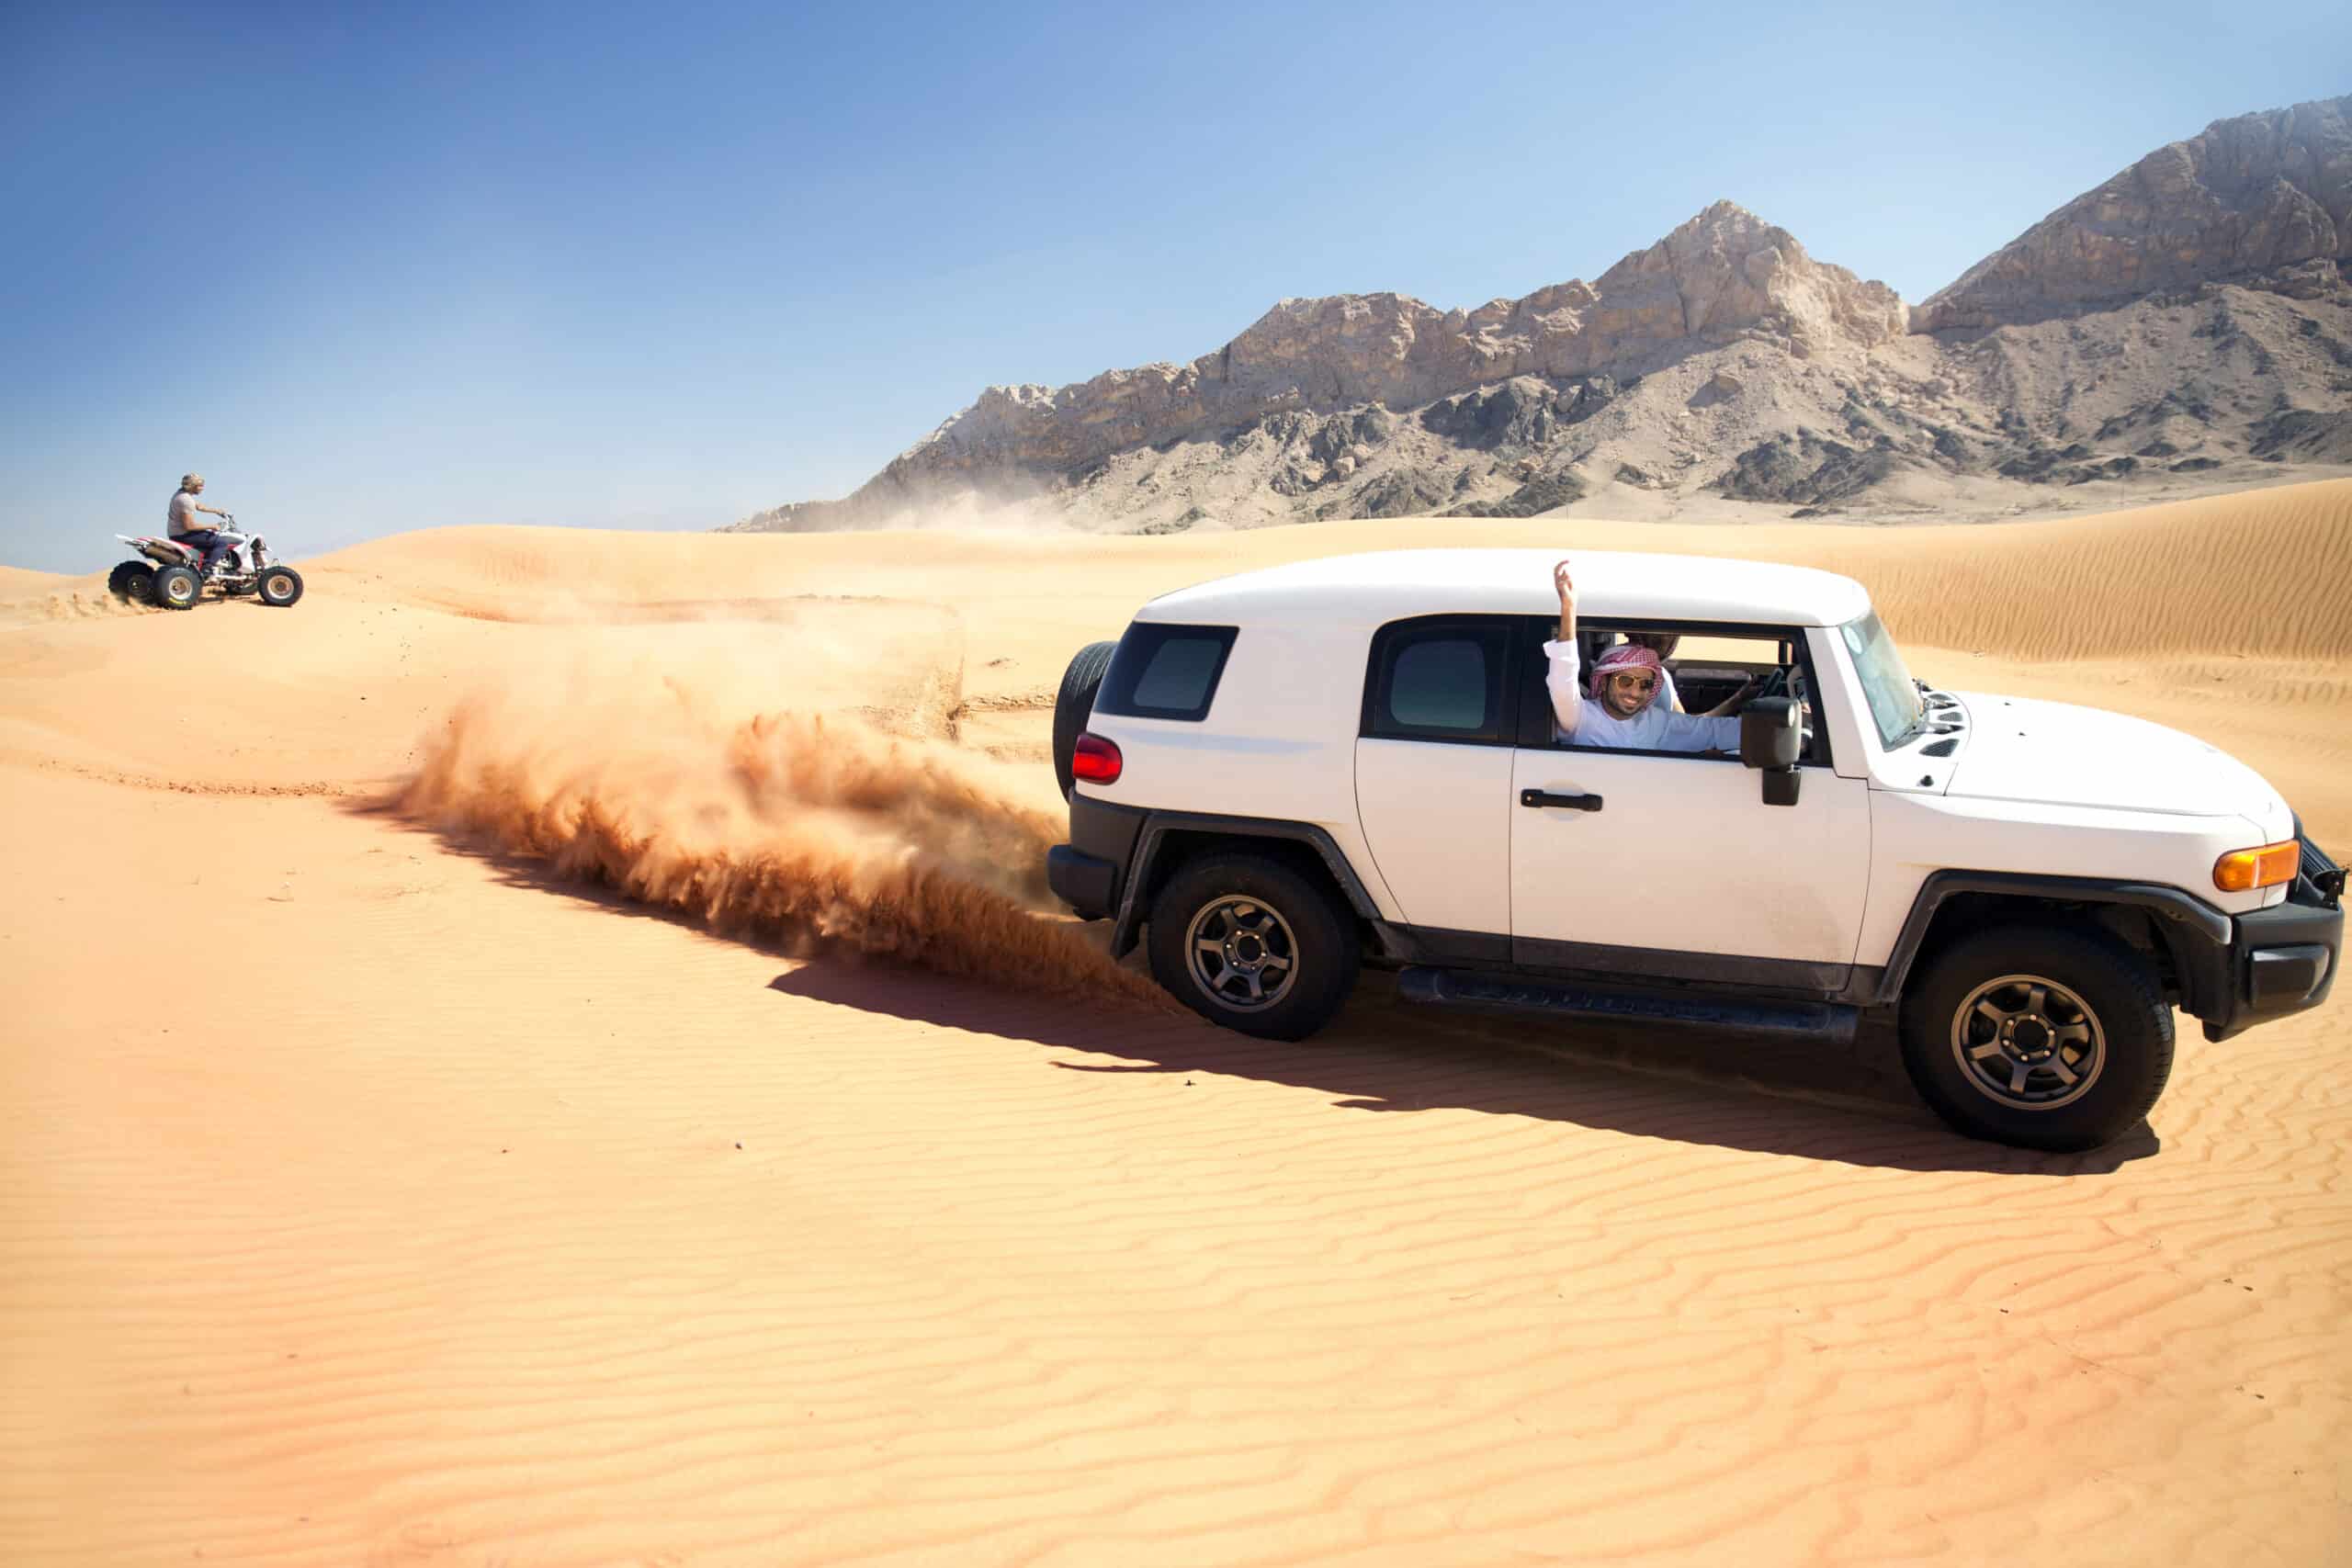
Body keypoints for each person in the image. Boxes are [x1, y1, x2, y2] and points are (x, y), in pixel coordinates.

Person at [1547, 558, 1745, 752]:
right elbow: (1563, 679)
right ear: (1605, 682)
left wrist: (1768, 726)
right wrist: (1569, 608)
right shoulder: (1581, 718)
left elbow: (1709, 731)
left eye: (1645, 684)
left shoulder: (1654, 722)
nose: (1634, 692)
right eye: (1625, 681)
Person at [167, 472, 247, 576]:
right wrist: (213, 526)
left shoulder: (181, 494)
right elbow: (189, 526)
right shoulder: (185, 501)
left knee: (211, 537)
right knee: (221, 542)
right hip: (183, 535)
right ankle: (206, 568)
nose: (202, 488)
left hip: (176, 533)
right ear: (192, 486)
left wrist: (217, 511)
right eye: (200, 486)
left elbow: (199, 506)